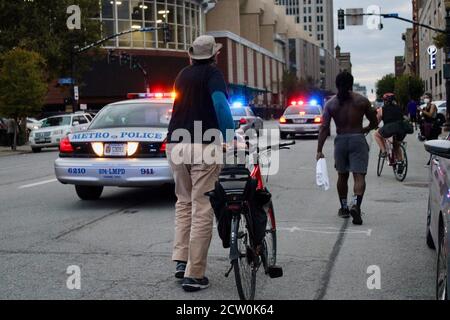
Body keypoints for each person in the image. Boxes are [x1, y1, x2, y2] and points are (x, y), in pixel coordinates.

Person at [166, 35, 235, 292]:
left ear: (191, 55)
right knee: (202, 207)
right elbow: (220, 104)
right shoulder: (213, 74)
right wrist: (230, 136)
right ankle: (195, 275)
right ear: (214, 56)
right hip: (203, 146)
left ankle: (181, 261)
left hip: (175, 144)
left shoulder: (182, 75)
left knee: (183, 202)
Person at [317, 71, 378, 226]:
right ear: (351, 84)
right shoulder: (362, 101)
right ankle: (356, 205)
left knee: (342, 175)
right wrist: (365, 129)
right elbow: (374, 122)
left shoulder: (330, 104)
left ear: (337, 85)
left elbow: (324, 128)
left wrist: (319, 150)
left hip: (341, 141)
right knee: (359, 176)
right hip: (357, 139)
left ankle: (344, 208)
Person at [374, 93, 407, 173]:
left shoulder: (382, 109)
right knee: (396, 145)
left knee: (376, 134)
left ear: (385, 101)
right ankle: (400, 162)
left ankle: (384, 151)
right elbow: (405, 118)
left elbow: (377, 121)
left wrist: (375, 126)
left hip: (389, 129)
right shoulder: (399, 108)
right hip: (401, 129)